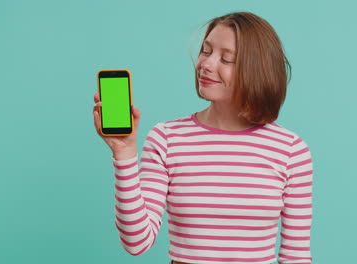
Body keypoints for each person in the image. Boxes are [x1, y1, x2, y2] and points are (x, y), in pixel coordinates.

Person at [93, 11, 314, 264]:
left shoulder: (291, 151)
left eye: (227, 58)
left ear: (256, 70)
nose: (206, 64)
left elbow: (295, 256)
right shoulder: (166, 138)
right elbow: (136, 242)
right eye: (206, 51)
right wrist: (124, 154)